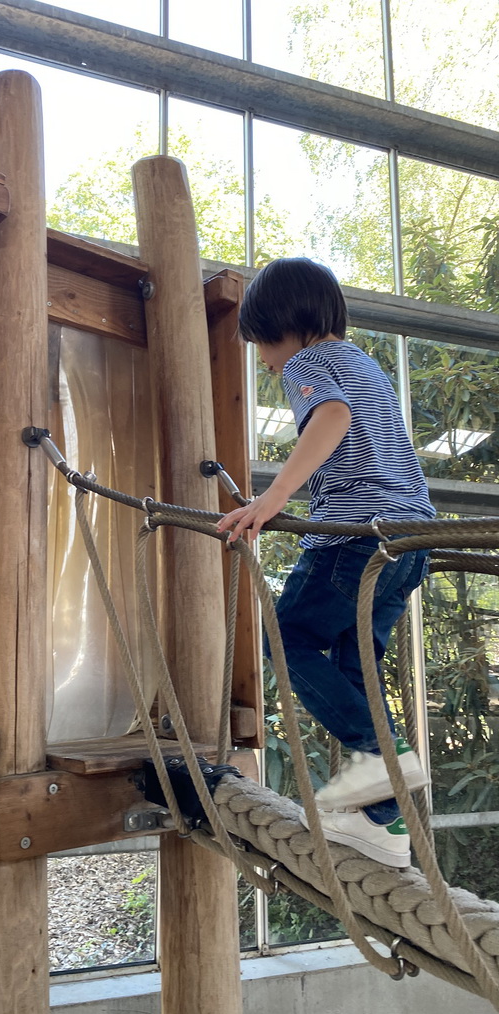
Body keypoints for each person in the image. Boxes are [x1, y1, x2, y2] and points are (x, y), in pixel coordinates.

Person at [217, 257, 434, 869]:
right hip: (409, 542)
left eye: (261, 342)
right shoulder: (367, 364)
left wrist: (273, 496)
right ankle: (380, 826)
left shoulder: (309, 361)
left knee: (284, 638)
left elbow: (331, 418)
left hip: (355, 540)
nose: (263, 359)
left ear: (285, 325)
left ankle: (383, 758)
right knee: (355, 664)